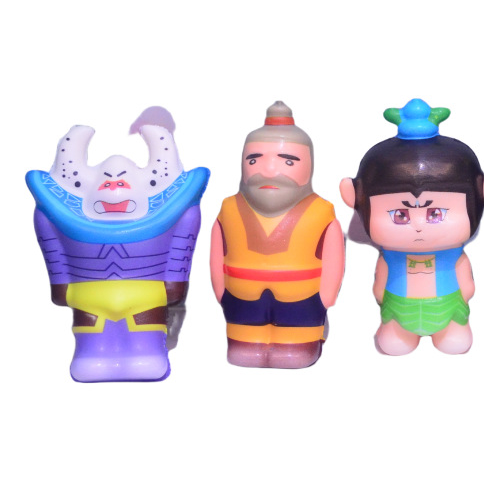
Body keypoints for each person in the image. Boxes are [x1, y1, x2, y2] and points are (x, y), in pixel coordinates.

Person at [26, 107, 209, 382]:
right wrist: (60, 284)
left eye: (122, 180)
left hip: (146, 297)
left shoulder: (177, 213)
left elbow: (182, 243)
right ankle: (91, 356)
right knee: (91, 342)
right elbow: (52, 245)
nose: (113, 188)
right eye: (106, 181)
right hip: (90, 298)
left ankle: (147, 355)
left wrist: (174, 283)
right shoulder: (54, 216)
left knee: (145, 341)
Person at [340, 99, 484, 355]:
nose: (419, 226)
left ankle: (451, 331)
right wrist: (381, 294)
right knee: (394, 342)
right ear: (354, 197)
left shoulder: (453, 254)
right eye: (400, 215)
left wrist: (466, 291)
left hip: (447, 305)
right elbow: (380, 283)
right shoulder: (390, 255)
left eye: (435, 213)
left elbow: (466, 282)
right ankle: (396, 332)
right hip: (399, 307)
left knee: (455, 341)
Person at [211, 102, 345, 368]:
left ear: (309, 165)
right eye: (254, 160)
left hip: (303, 295)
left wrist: (328, 295)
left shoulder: (321, 210)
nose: (269, 170)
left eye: (288, 161)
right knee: (244, 340)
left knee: (296, 340)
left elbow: (334, 256)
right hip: (240, 294)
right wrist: (219, 289)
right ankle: (244, 343)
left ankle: (299, 345)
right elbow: (217, 249)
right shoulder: (229, 207)